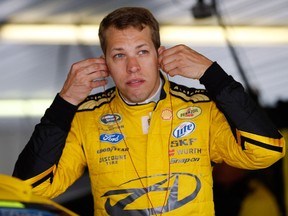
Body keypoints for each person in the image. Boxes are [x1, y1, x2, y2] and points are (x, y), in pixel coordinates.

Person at [13, 7, 285, 216]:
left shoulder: (199, 108)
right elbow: (31, 188)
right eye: (119, 55)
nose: (132, 66)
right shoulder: (86, 117)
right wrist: (64, 102)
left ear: (159, 55)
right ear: (104, 62)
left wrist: (214, 76)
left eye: (142, 52)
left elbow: (266, 152)